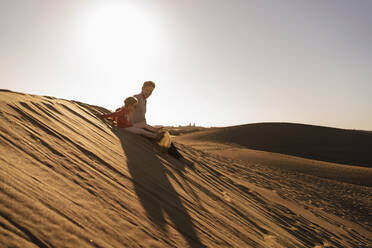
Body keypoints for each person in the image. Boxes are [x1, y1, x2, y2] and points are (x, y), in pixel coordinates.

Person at [132, 81, 194, 167]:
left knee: (164, 134)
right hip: (138, 127)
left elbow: (141, 116)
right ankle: (180, 158)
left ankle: (178, 156)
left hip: (144, 126)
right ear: (142, 88)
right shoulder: (136, 98)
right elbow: (126, 108)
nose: (149, 93)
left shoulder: (144, 100)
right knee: (163, 136)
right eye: (147, 90)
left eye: (151, 91)